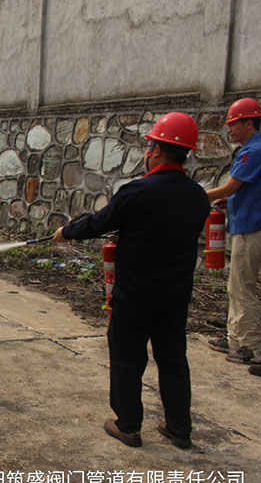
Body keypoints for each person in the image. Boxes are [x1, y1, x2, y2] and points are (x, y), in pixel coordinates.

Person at [53, 112, 210, 449]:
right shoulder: (198, 196)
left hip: (136, 294)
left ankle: (128, 425)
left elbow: (98, 223)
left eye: (150, 144)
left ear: (154, 149)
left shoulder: (137, 192)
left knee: (128, 357)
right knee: (172, 359)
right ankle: (179, 428)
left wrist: (66, 232)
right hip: (175, 295)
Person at [204, 98, 261, 371]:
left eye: (233, 124)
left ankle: (253, 348)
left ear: (248, 123)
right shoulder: (254, 148)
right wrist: (226, 202)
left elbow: (231, 187)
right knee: (236, 285)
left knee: (244, 287)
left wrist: (192, 195)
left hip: (254, 227)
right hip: (247, 224)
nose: (229, 130)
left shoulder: (256, 150)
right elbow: (242, 190)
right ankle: (235, 338)